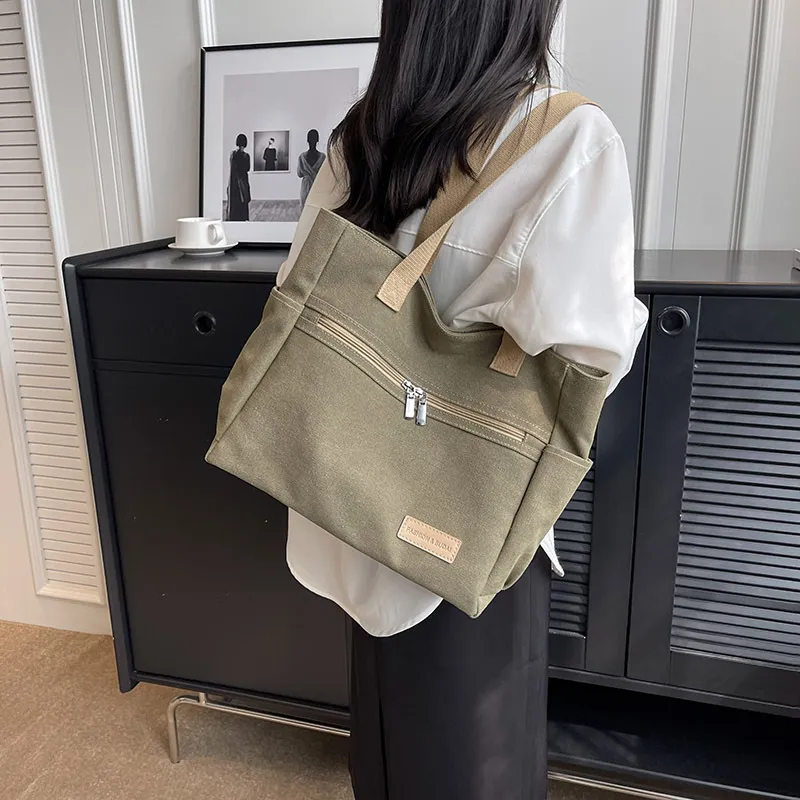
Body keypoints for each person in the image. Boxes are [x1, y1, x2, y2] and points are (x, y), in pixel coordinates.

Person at [277, 0, 648, 797]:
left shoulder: (362, 135)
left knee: (388, 738)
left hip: (351, 493)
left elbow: (295, 290)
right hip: (467, 516)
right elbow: (588, 359)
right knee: (474, 757)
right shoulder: (569, 137)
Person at [297, 129, 326, 209]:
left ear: (307, 140)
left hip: (306, 187)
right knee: (317, 209)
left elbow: (299, 174)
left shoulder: (302, 157)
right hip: (318, 186)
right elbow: (324, 175)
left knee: (305, 209)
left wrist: (307, 173)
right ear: (317, 140)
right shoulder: (323, 157)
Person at [226, 133, 250, 221]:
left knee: (234, 203)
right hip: (242, 182)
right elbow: (247, 168)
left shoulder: (232, 154)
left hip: (233, 183)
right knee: (243, 202)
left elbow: (233, 168)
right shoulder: (246, 156)